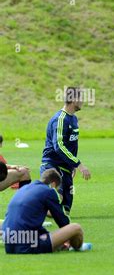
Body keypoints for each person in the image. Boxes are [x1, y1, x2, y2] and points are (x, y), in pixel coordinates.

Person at [1, 168, 91, 254]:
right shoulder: (49, 192)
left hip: (9, 244)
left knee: (45, 235)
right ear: (53, 184)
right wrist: (68, 237)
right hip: (28, 244)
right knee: (76, 228)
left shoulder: (24, 189)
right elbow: (62, 221)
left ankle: (60, 246)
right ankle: (75, 247)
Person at [40, 87, 91, 215]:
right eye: (81, 98)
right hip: (52, 165)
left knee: (65, 209)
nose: (83, 101)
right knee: (57, 201)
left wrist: (71, 165)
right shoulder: (60, 119)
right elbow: (59, 146)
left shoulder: (73, 119)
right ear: (73, 100)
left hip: (65, 166)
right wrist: (78, 164)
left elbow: (71, 144)